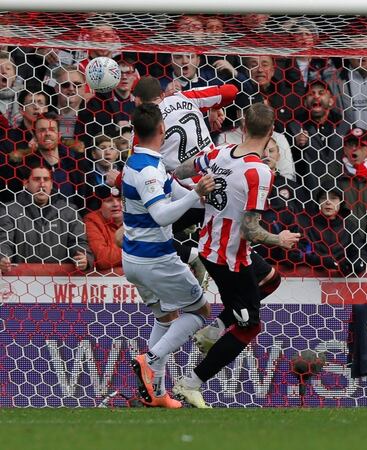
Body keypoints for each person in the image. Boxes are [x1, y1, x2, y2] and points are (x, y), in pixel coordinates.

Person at [170, 103, 301, 408]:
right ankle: (191, 384)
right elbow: (251, 230)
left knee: (270, 278)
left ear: (243, 125)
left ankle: (212, 332)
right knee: (250, 326)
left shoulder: (220, 152)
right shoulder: (260, 172)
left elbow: (184, 169)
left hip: (209, 244)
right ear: (271, 134)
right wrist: (279, 239)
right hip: (228, 258)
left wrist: (187, 182)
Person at [123, 103, 217, 409]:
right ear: (162, 129)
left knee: (166, 317)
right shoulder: (148, 170)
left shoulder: (141, 161)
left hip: (135, 259)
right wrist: (195, 194)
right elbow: (163, 214)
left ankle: (156, 393)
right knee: (200, 311)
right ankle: (149, 360)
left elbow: (174, 192)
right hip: (156, 258)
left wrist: (208, 201)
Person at [0, 165, 94, 271]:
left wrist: (84, 258)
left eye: (46, 179)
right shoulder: (9, 210)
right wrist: (3, 258)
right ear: (26, 183)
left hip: (58, 281)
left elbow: (78, 242)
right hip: (21, 280)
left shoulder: (68, 211)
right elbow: (4, 241)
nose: (42, 184)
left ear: (51, 184)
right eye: (36, 179)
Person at [84, 186, 123, 270]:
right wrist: (137, 249)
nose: (116, 204)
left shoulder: (136, 219)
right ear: (100, 206)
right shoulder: (92, 220)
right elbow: (103, 259)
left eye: (119, 199)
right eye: (109, 201)